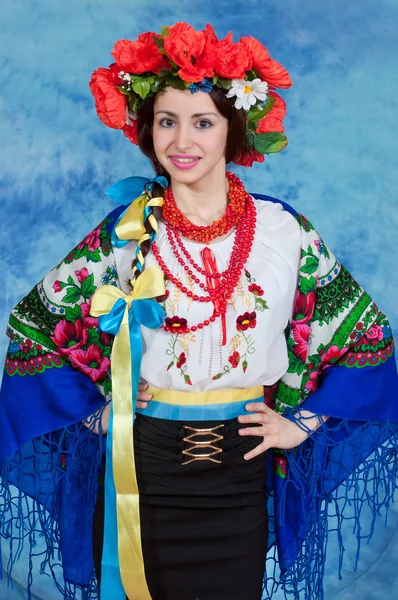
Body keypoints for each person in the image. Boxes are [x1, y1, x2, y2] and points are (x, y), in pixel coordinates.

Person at [0, 21, 397, 600]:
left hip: (240, 471)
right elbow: (34, 327)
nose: (182, 140)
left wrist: (301, 424)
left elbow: (365, 337)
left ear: (233, 130)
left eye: (202, 122)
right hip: (142, 468)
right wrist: (98, 412)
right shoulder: (128, 234)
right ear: (148, 131)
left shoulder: (283, 232)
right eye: (167, 121)